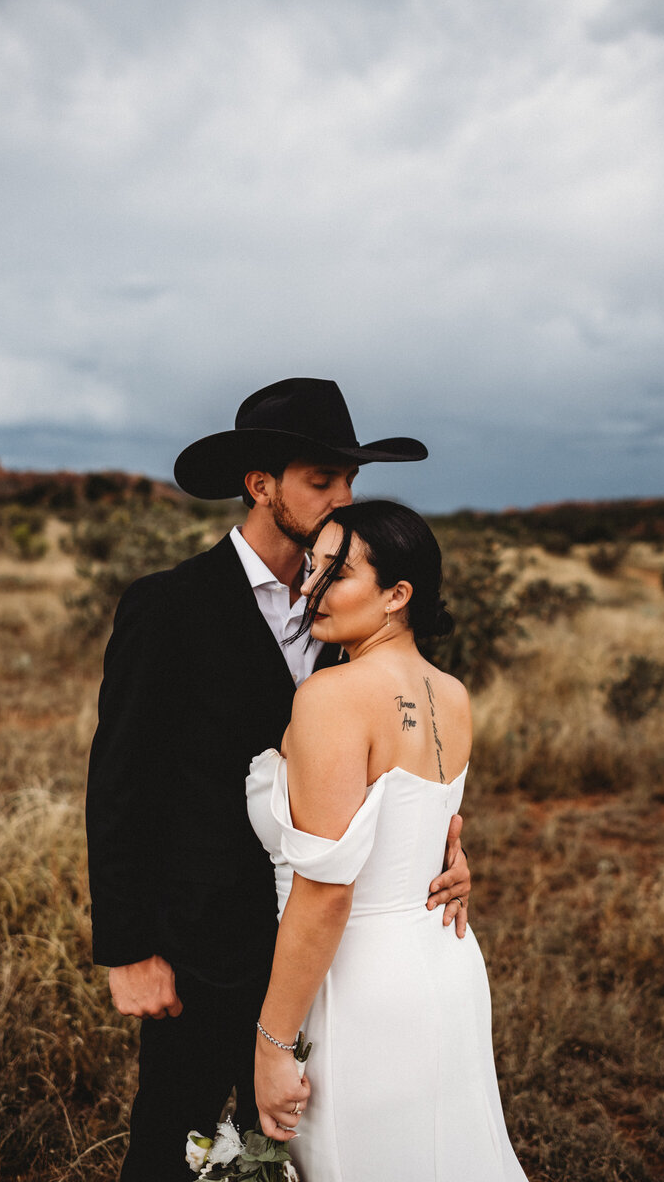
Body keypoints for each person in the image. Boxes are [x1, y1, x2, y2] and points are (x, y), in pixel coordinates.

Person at [85, 378, 472, 1181]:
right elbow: (121, 782)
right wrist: (129, 949)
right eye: (322, 481)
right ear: (262, 486)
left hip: (333, 954)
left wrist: (442, 850)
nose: (342, 500)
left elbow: (389, 766)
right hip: (200, 946)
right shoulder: (169, 606)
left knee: (303, 1146)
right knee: (176, 1142)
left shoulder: (354, 612)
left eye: (350, 483)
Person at [247, 500, 528, 1181]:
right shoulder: (453, 693)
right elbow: (424, 829)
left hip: (356, 981)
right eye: (311, 570)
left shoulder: (332, 696)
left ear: (398, 595)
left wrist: (272, 1045)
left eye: (336, 575)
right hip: (445, 960)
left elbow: (327, 893)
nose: (311, 589)